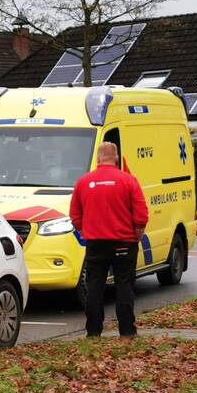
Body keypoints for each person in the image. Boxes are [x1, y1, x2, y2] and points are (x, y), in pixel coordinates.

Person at [69, 142, 149, 338]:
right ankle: (127, 331)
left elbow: (75, 214)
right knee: (124, 286)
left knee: (94, 287)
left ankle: (93, 331)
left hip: (96, 243)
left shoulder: (83, 182)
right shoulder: (129, 181)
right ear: (116, 158)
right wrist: (135, 236)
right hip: (124, 242)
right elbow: (141, 215)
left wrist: (85, 231)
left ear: (97, 158)